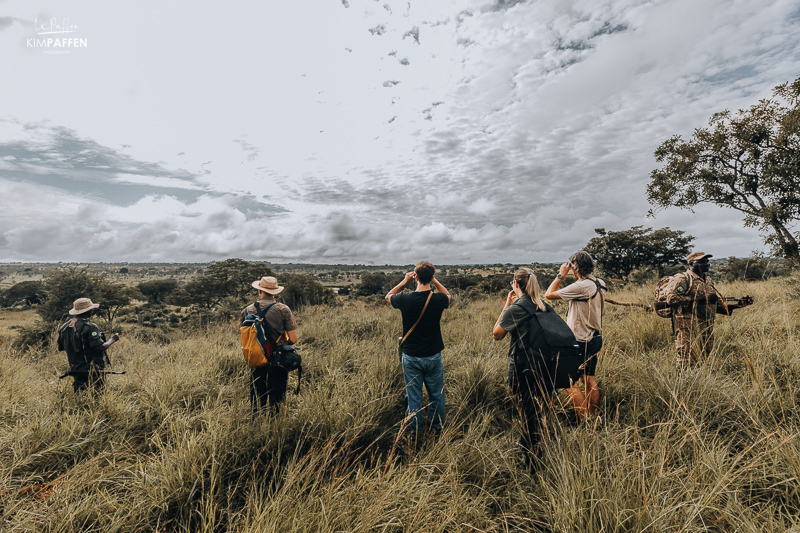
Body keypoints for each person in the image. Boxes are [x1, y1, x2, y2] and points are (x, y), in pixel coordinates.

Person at [493, 267, 553, 457]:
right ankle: (541, 444)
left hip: (521, 366)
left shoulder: (517, 308)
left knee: (525, 411)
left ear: (516, 284)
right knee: (539, 409)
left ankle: (530, 452)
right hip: (544, 365)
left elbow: (497, 334)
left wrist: (507, 304)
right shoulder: (543, 305)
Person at [385, 261, 450, 434]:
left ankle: (415, 432)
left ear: (416, 277)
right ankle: (436, 429)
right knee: (436, 395)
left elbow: (388, 296)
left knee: (414, 397)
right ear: (431, 277)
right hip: (434, 355)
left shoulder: (405, 299)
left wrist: (404, 282)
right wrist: (435, 282)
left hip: (412, 356)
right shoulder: (438, 299)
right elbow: (447, 296)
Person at [657, 252, 753, 368]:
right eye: (701, 262)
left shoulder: (707, 280)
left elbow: (715, 306)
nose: (706, 264)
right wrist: (701, 298)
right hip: (687, 326)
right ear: (692, 263)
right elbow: (671, 299)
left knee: (704, 359)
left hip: (706, 326)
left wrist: (739, 305)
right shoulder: (682, 278)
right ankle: (684, 384)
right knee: (686, 360)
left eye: (707, 261)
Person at [545, 251, 606, 422]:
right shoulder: (599, 283)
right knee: (589, 380)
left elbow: (548, 294)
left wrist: (560, 275)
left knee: (568, 382)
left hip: (579, 340)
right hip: (594, 337)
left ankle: (584, 419)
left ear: (577, 267)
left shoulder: (581, 286)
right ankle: (593, 418)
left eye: (572, 266)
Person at [240, 276, 298, 413]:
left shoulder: (247, 310)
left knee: (257, 396)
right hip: (278, 357)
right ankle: (275, 425)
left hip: (256, 356)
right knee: (277, 397)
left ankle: (257, 421)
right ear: (275, 292)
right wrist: (284, 342)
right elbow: (293, 339)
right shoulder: (283, 309)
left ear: (260, 291)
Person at [57, 297, 120, 393]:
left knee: (80, 393)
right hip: (92, 368)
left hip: (75, 368)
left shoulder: (64, 327)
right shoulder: (90, 327)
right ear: (88, 311)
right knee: (97, 394)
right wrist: (113, 339)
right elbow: (99, 347)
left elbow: (60, 347)